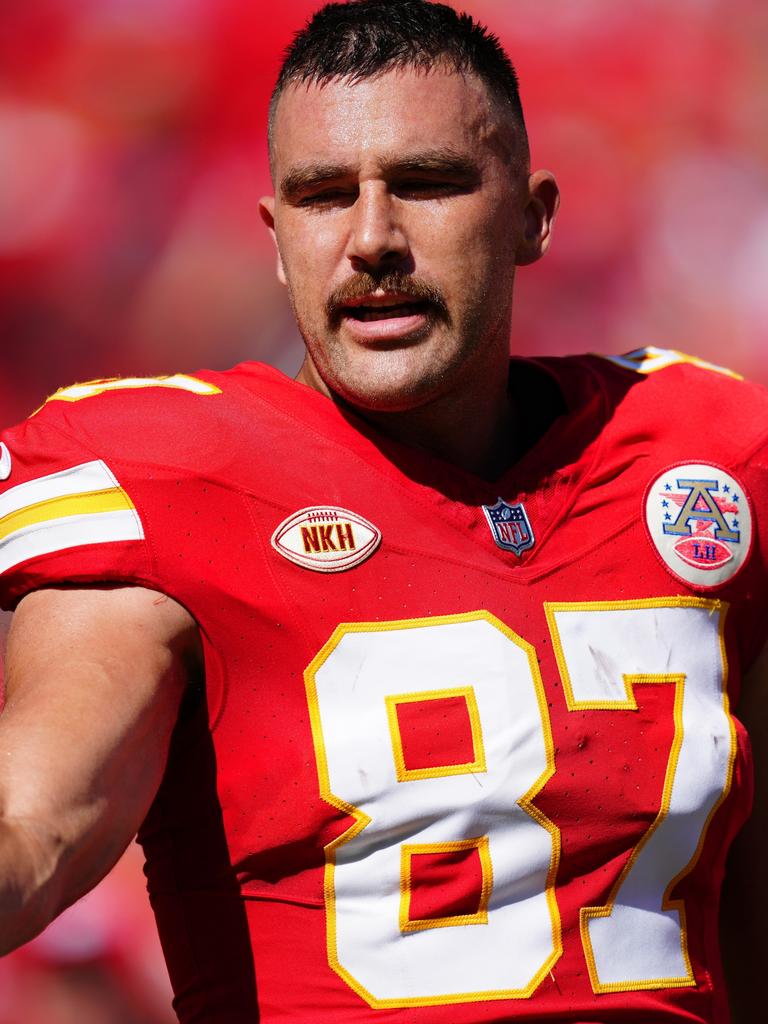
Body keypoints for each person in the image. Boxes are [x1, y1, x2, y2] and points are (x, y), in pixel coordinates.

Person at [0, 1, 765, 1021]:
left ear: (534, 215)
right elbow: (35, 823)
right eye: (323, 197)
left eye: (428, 183)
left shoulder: (709, 451)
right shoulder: (168, 478)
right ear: (275, 240)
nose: (371, 239)